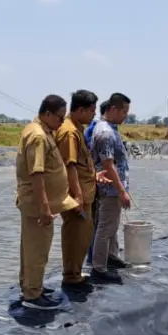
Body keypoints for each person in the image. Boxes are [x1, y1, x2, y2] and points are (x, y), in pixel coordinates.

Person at [15, 95, 79, 309]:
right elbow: (37, 174)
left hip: (39, 204)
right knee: (37, 250)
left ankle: (31, 286)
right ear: (48, 113)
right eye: (60, 117)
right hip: (37, 206)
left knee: (31, 248)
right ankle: (33, 295)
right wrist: (44, 208)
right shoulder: (38, 136)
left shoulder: (42, 131)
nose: (62, 122)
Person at [56, 90, 99, 293]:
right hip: (76, 195)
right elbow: (69, 166)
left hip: (84, 192)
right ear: (80, 110)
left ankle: (75, 272)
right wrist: (78, 196)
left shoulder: (77, 128)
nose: (94, 115)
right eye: (92, 110)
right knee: (75, 235)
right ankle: (71, 276)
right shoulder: (69, 132)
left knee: (82, 235)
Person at [90, 93, 133, 283]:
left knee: (112, 224)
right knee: (105, 227)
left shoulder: (111, 128)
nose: (126, 115)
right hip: (109, 188)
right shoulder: (105, 132)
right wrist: (122, 191)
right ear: (113, 109)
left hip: (114, 187)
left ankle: (111, 257)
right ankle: (99, 268)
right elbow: (108, 164)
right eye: (124, 111)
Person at [84, 96, 112, 267]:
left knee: (99, 223)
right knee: (97, 223)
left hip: (96, 179)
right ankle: (94, 259)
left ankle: (97, 256)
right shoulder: (98, 130)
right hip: (97, 182)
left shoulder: (97, 128)